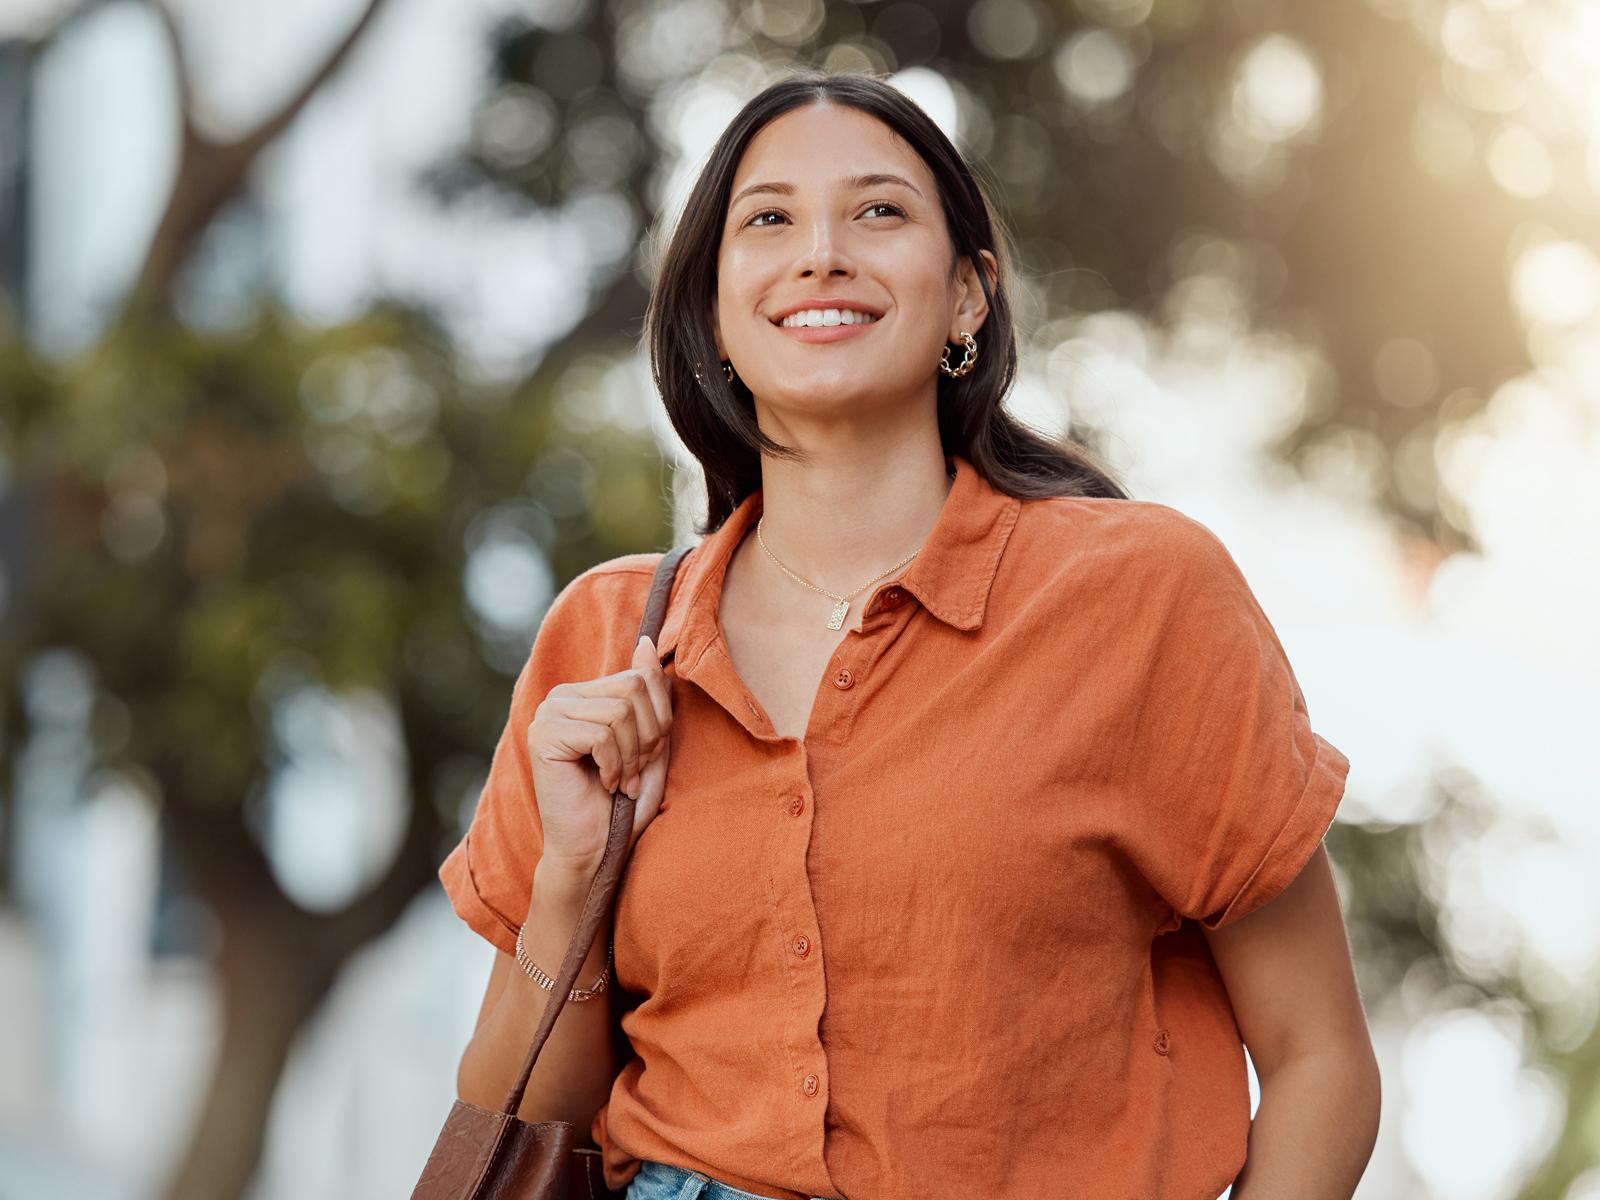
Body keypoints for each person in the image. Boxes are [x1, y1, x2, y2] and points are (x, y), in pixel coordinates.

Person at [444, 73, 1380, 1200]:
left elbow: (1318, 1057)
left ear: (969, 297)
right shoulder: (600, 636)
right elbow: (517, 1129)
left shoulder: (1141, 596)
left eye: (879, 212)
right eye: (769, 219)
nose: (822, 253)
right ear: (712, 313)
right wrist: (571, 878)